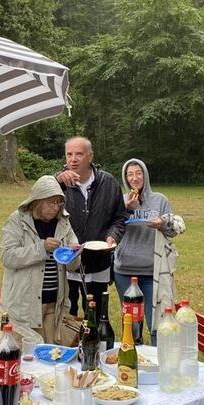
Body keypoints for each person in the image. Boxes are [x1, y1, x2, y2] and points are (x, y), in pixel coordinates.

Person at [0, 175, 81, 343]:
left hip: (55, 305)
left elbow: (72, 267)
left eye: (59, 203)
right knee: (24, 357)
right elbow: (7, 256)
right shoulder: (18, 220)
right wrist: (41, 248)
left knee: (50, 356)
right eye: (50, 202)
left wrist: (74, 254)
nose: (55, 208)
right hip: (24, 306)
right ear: (37, 201)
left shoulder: (63, 223)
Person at [112, 158, 185, 344]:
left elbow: (172, 231)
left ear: (145, 175)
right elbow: (112, 230)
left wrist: (162, 224)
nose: (134, 178)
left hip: (152, 270)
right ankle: (133, 362)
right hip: (125, 270)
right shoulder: (120, 201)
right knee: (131, 324)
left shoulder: (159, 200)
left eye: (138, 173)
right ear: (125, 178)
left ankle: (160, 362)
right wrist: (125, 209)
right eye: (130, 174)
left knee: (158, 324)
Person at [55, 137, 127, 324]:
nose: (73, 159)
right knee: (66, 315)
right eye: (69, 154)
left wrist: (113, 236)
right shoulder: (58, 185)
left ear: (90, 156)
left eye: (79, 154)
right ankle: (70, 349)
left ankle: (95, 347)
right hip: (68, 261)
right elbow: (40, 210)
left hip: (99, 260)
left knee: (97, 314)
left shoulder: (108, 183)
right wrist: (57, 182)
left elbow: (120, 218)